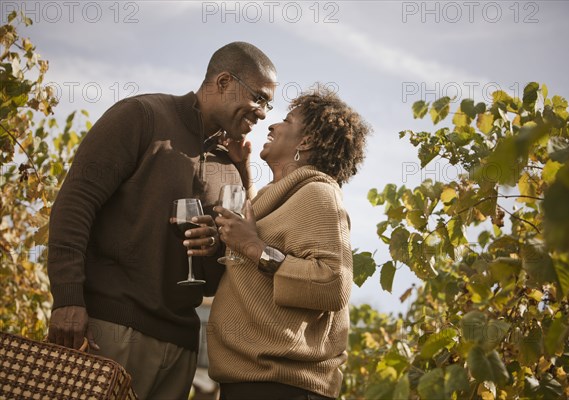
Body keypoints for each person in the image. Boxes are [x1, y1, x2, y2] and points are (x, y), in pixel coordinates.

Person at [46, 42, 277, 398]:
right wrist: (67, 298)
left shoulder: (231, 168)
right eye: (260, 98)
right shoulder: (141, 116)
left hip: (181, 350)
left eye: (269, 104)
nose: (263, 113)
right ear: (224, 81)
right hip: (108, 332)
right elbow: (75, 205)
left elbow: (219, 280)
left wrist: (216, 243)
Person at [205, 87, 371, 400]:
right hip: (253, 383)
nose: (272, 125)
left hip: (286, 388)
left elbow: (333, 283)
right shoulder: (283, 196)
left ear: (305, 142)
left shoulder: (320, 194)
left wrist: (253, 248)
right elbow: (263, 220)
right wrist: (242, 168)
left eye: (286, 120)